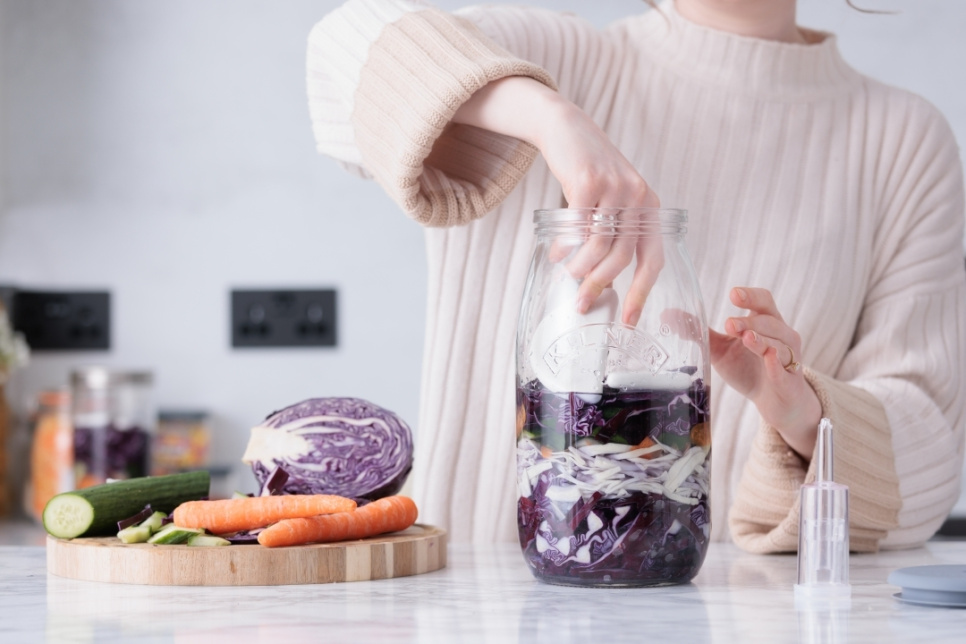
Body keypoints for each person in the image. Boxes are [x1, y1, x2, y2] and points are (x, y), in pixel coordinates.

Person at [306, 0, 966, 552]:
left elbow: (929, 443)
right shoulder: (560, 64)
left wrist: (807, 418)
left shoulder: (901, 142)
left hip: (739, 620)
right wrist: (553, 120)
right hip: (472, 609)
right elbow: (339, 51)